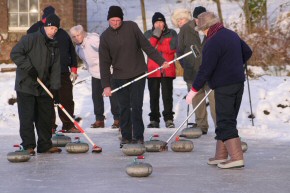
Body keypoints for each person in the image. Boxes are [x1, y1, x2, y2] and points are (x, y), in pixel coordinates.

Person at [186, 12, 252, 169]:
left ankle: (236, 158)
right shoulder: (231, 34)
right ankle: (220, 155)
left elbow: (205, 70)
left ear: (206, 27)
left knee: (224, 120)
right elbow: (248, 52)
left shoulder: (212, 42)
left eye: (202, 30)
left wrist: (193, 90)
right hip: (238, 83)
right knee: (227, 118)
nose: (202, 33)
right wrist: (234, 64)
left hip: (224, 85)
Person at [99, 6, 169, 146]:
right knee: (124, 107)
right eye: (112, 20)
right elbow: (104, 63)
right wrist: (106, 85)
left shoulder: (132, 27)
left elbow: (147, 46)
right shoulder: (105, 36)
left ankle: (138, 136)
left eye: (118, 20)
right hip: (119, 77)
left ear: (122, 19)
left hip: (137, 74)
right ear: (108, 20)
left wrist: (161, 61)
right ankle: (125, 136)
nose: (115, 23)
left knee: (136, 106)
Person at [10, 14, 63, 155]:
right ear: (45, 27)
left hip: (43, 86)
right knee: (27, 117)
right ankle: (28, 145)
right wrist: (29, 68)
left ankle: (45, 145)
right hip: (26, 84)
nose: (53, 31)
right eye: (51, 28)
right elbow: (15, 53)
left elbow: (56, 69)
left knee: (45, 117)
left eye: (56, 29)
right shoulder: (30, 39)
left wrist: (55, 89)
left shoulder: (54, 45)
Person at [27, 6, 80, 133]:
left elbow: (72, 52)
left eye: (55, 27)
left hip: (62, 72)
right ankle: (50, 126)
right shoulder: (37, 31)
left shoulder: (63, 35)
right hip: (46, 74)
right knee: (47, 100)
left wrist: (73, 69)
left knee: (66, 99)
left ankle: (68, 125)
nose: (53, 30)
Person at [69, 25, 120, 129]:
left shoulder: (93, 39)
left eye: (78, 35)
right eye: (74, 36)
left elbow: (107, 49)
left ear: (82, 33)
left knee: (112, 95)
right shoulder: (78, 47)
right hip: (95, 73)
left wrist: (111, 65)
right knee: (96, 97)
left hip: (108, 71)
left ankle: (118, 119)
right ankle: (99, 120)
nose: (76, 38)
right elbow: (86, 61)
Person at [177, 6, 216, 134]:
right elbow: (180, 51)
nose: (200, 21)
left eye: (202, 19)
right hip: (192, 73)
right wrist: (187, 65)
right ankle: (202, 126)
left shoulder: (212, 28)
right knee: (197, 101)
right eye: (197, 19)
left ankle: (220, 126)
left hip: (211, 73)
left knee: (215, 101)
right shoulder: (185, 29)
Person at [144, 12, 178, 128]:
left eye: (161, 22)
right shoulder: (148, 34)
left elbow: (173, 48)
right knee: (153, 96)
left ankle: (169, 119)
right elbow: (148, 49)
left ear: (164, 23)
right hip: (153, 70)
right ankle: (154, 120)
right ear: (153, 24)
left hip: (167, 69)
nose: (159, 24)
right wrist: (155, 36)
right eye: (156, 22)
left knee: (167, 96)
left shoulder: (172, 33)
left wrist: (158, 46)